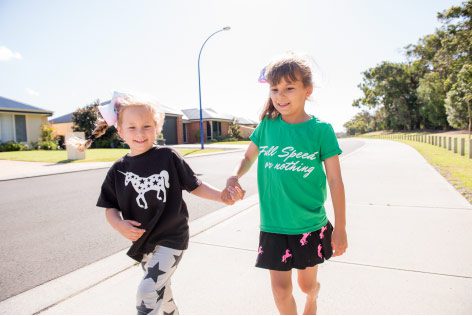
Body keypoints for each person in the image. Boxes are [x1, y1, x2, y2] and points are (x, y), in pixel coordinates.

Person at [68, 92, 243, 315]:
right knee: (162, 288)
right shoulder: (118, 170)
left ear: (157, 127)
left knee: (147, 291)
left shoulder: (168, 157)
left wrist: (222, 196)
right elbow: (109, 206)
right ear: (120, 131)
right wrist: (118, 224)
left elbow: (194, 185)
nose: (140, 133)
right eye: (132, 127)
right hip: (144, 241)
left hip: (172, 238)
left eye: (147, 126)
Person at [225, 53, 348, 314]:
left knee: (306, 286)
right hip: (273, 226)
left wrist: (341, 228)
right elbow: (248, 156)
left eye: (289, 88)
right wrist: (235, 175)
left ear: (307, 90)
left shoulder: (321, 130)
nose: (281, 96)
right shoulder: (267, 127)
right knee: (281, 292)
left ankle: (313, 299)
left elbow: (336, 181)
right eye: (275, 89)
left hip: (309, 225)